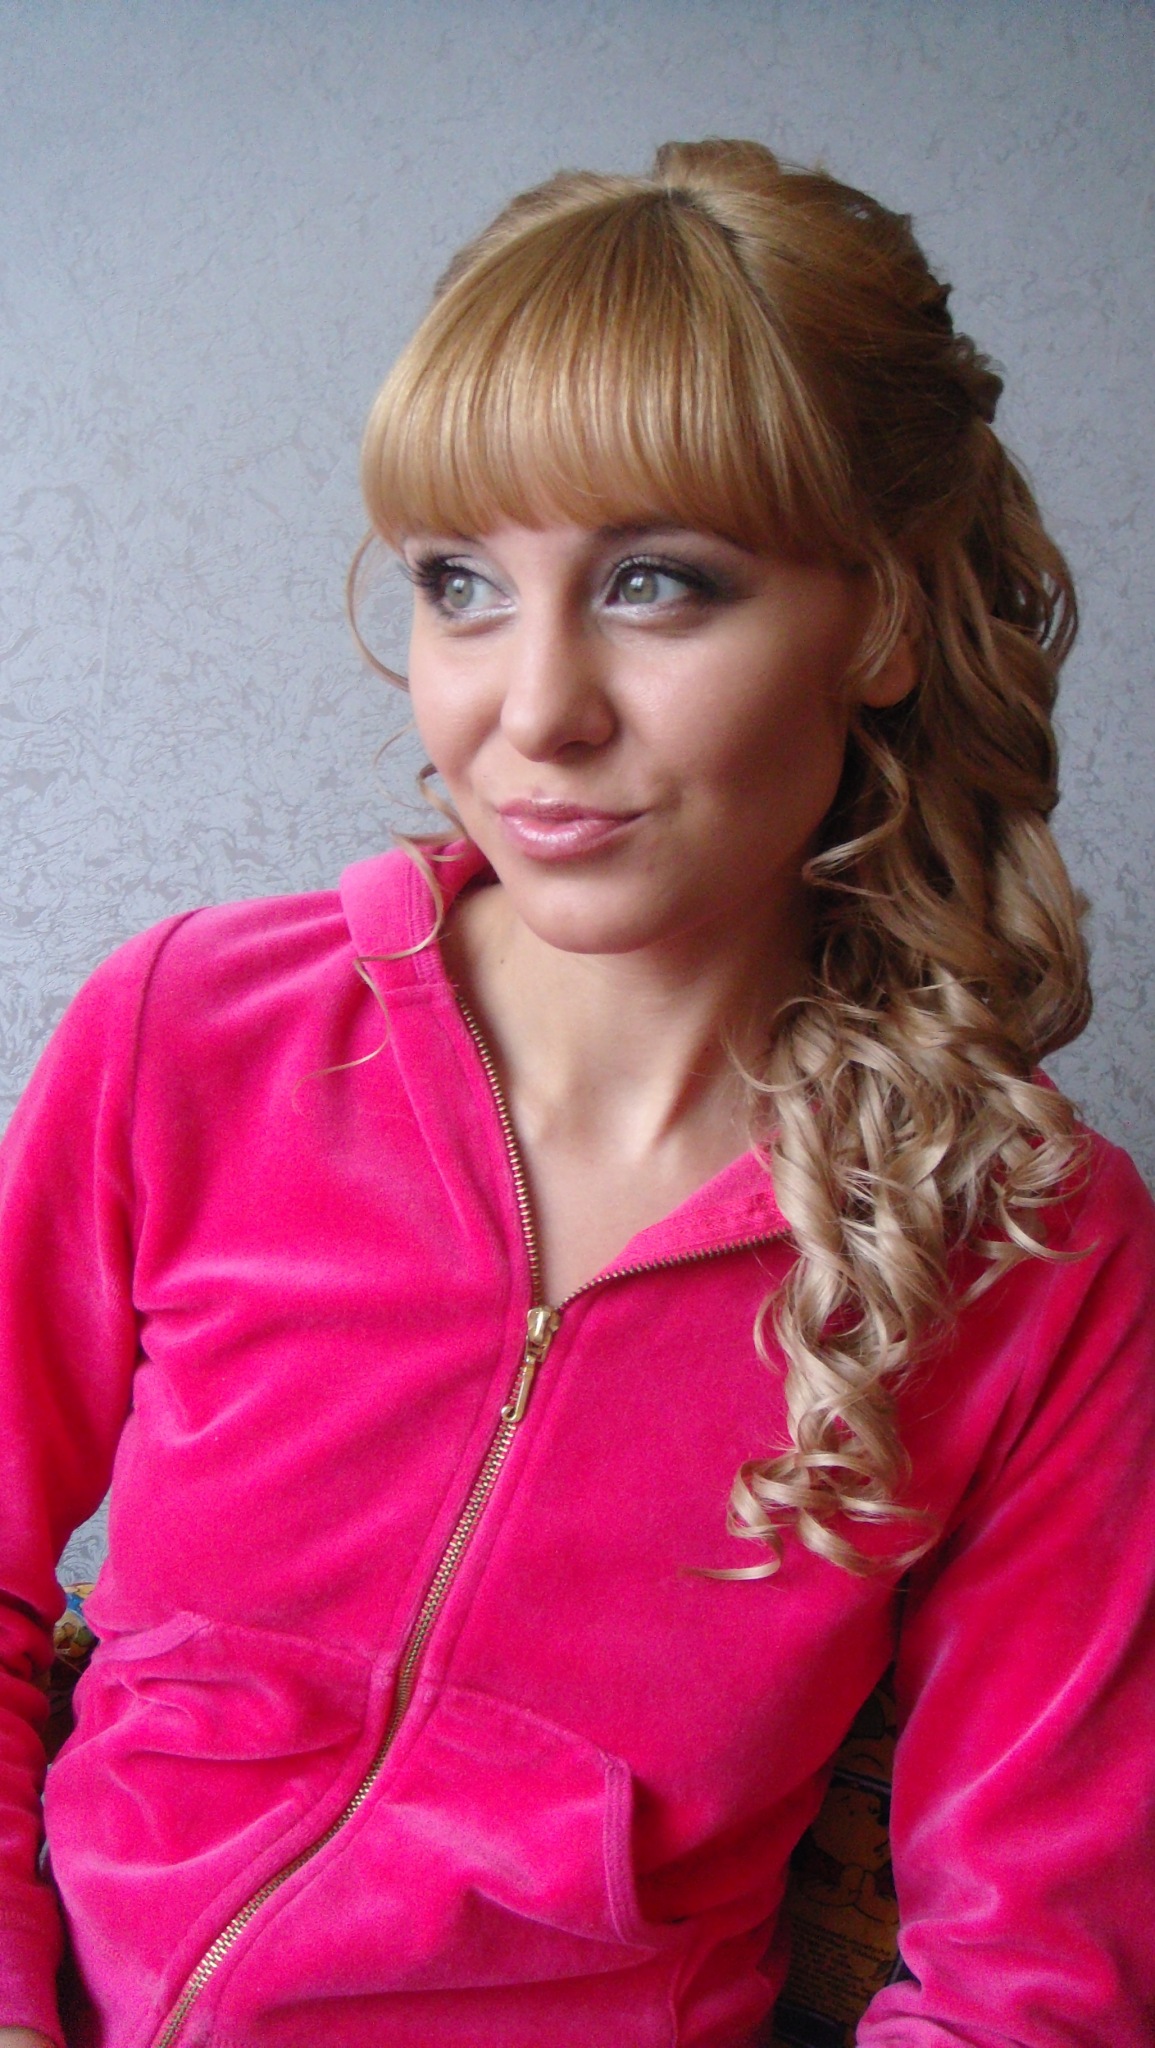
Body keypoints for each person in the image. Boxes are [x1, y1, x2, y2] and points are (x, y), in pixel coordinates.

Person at [1, 137, 1153, 2048]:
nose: (534, 709)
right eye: (461, 582)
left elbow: (1035, 1976)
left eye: (654, 585)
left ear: (879, 618)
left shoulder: (1032, 1248)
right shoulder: (188, 1035)